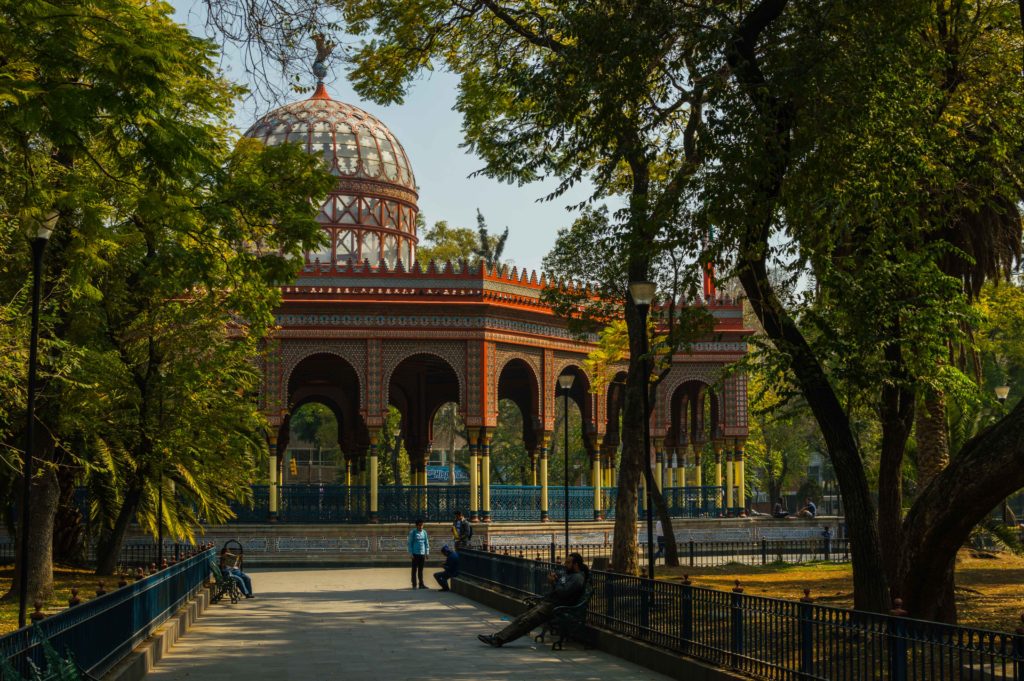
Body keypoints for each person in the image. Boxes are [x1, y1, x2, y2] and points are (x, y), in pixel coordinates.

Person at [477, 552, 589, 647]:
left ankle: (498, 639)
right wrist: (556, 580)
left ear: (576, 565)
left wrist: (553, 582)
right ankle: (497, 637)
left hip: (557, 607)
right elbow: (561, 586)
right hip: (550, 603)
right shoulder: (569, 575)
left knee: (526, 621)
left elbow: (563, 593)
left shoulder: (577, 578)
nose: (565, 564)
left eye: (568, 562)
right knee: (522, 618)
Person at [408, 518, 430, 589]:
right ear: (416, 526)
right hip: (415, 554)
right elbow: (410, 543)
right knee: (414, 570)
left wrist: (427, 552)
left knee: (421, 570)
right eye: (419, 525)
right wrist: (410, 553)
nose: (421, 527)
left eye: (422, 525)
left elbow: (426, 543)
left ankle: (421, 584)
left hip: (422, 554)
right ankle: (414, 584)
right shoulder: (413, 532)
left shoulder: (424, 532)